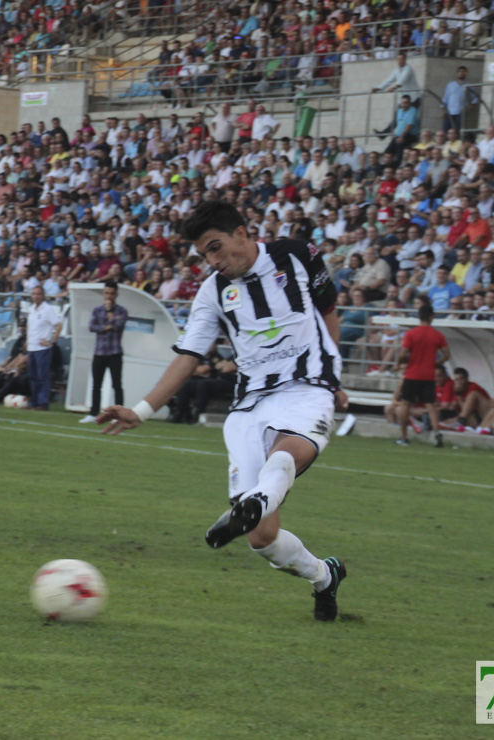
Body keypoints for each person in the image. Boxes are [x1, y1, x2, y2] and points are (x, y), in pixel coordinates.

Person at [95, 201, 349, 622]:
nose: (212, 261)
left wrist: (333, 376)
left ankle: (259, 498)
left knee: (288, 452)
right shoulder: (213, 291)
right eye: (203, 255)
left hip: (307, 388)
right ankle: (324, 576)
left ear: (243, 234)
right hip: (249, 405)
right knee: (262, 539)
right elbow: (189, 354)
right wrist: (142, 410)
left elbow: (328, 313)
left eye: (216, 248)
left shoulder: (298, 256)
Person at [396, 303, 449, 448]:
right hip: (428, 375)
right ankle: (437, 432)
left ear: (419, 317)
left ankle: (403, 437)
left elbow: (402, 354)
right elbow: (447, 355)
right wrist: (436, 364)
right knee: (430, 405)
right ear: (431, 317)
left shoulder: (411, 334)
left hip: (412, 374)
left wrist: (398, 364)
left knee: (405, 404)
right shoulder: (437, 335)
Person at [80, 280, 128, 423]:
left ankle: (118, 415)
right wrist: (107, 326)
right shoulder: (96, 310)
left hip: (115, 352)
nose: (108, 296)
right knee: (96, 385)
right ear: (103, 293)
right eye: (106, 293)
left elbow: (118, 325)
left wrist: (108, 314)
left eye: (112, 293)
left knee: (117, 385)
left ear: (116, 295)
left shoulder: (122, 311)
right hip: (99, 352)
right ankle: (93, 413)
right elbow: (92, 327)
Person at [26, 285, 62, 411]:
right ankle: (34, 401)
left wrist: (52, 340)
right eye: (34, 294)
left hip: (42, 349)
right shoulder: (32, 309)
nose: (36, 296)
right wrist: (27, 341)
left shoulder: (47, 309)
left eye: (38, 294)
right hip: (32, 347)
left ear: (43, 295)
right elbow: (30, 327)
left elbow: (58, 325)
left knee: (43, 376)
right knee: (33, 376)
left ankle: (43, 402)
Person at [439, 65, 477, 133]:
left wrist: (469, 107)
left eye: (463, 71)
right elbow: (446, 97)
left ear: (466, 73)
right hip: (449, 112)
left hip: (460, 113)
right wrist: (442, 109)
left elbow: (475, 98)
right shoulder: (451, 85)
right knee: (445, 131)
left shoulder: (468, 85)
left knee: (457, 132)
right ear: (457, 73)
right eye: (460, 71)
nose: (461, 73)